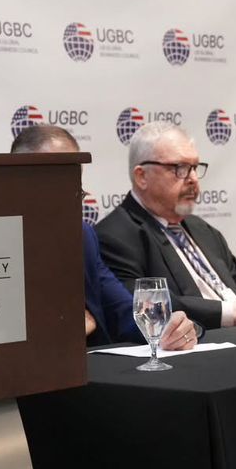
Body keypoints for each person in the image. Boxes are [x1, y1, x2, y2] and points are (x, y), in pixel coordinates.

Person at [10, 123, 198, 351]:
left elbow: (123, 310)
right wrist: (64, 328)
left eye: (74, 190)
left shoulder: (82, 236)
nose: (65, 203)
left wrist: (170, 328)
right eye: (51, 188)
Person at [94, 122, 236, 331]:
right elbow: (147, 306)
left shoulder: (200, 227)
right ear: (142, 176)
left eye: (194, 168)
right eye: (179, 169)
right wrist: (232, 312)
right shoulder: (114, 236)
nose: (192, 179)